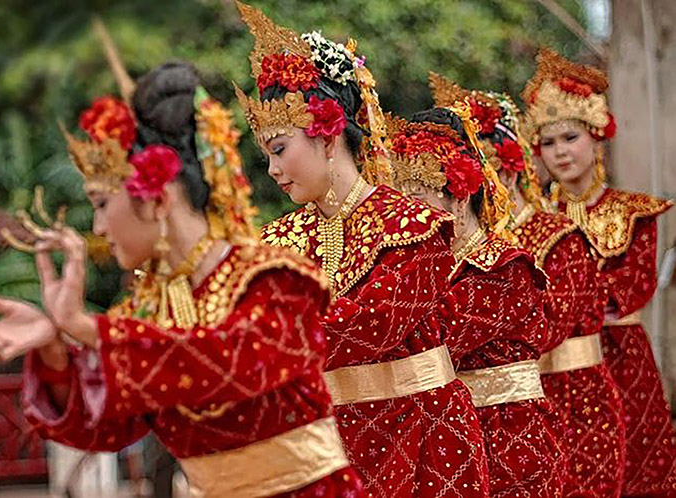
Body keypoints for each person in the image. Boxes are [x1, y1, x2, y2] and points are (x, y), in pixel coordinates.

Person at [0, 60, 364, 498]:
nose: (97, 228)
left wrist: (86, 329)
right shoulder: (149, 309)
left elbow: (226, 364)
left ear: (157, 200)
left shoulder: (275, 279)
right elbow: (104, 427)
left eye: (100, 204)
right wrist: (54, 347)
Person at [234, 2, 488, 497]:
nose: (272, 170)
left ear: (328, 135)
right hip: (324, 450)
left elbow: (368, 326)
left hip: (423, 449)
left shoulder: (416, 228)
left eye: (280, 149)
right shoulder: (276, 242)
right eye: (265, 155)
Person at [430, 72, 626, 498]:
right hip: (484, 416)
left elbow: (545, 329)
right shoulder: (460, 245)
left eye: (487, 172)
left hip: (571, 404)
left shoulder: (558, 236)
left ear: (511, 169)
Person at [387, 104, 565, 498]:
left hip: (507, 442)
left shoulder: (501, 268)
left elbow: (432, 339)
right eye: (405, 203)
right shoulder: (425, 265)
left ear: (461, 196)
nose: (410, 218)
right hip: (441, 441)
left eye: (420, 201)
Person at [523, 47, 676, 496]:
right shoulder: (531, 222)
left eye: (570, 138)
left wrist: (565, 297)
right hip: (551, 369)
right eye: (548, 143)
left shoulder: (634, 212)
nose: (561, 152)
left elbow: (633, 288)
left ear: (596, 137)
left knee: (638, 476)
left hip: (622, 361)